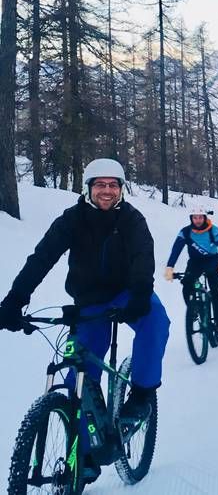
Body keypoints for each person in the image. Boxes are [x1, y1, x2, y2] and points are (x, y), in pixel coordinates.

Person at [0, 158, 170, 483]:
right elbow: (42, 258)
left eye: (113, 185)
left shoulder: (132, 220)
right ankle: (84, 456)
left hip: (126, 293)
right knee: (76, 375)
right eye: (100, 184)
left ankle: (142, 395)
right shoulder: (72, 219)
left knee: (155, 321)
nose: (106, 191)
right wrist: (14, 301)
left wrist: (138, 297)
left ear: (121, 190)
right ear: (88, 188)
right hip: (89, 301)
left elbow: (142, 258)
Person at [165, 206, 218, 337]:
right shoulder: (186, 232)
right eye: (195, 218)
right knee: (187, 284)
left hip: (212, 261)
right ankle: (193, 310)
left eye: (200, 217)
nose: (198, 220)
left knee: (216, 293)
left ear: (205, 218)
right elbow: (176, 249)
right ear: (191, 218)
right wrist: (170, 267)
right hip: (195, 263)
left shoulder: (213, 230)